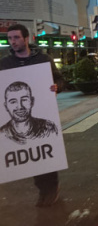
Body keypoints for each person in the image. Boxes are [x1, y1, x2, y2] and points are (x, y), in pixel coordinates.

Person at [0, 24, 62, 207]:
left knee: (47, 153)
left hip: (42, 114)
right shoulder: (5, 63)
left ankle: (51, 188)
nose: (13, 41)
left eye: (16, 37)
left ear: (27, 39)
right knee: (31, 158)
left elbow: (59, 79)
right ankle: (43, 190)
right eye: (10, 38)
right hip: (16, 123)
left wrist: (57, 87)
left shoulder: (43, 59)